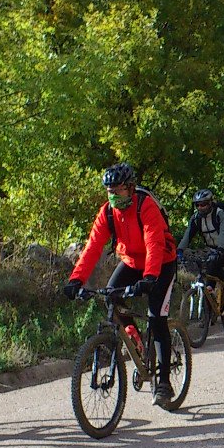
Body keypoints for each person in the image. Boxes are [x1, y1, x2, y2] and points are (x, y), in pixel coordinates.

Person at [62, 163, 180, 404]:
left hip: (162, 264)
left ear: (131, 188)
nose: (113, 195)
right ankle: (134, 337)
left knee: (157, 318)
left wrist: (149, 278)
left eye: (118, 190)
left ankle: (164, 384)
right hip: (131, 261)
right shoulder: (107, 213)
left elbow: (155, 243)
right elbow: (93, 247)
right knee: (111, 296)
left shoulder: (145, 206)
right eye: (109, 191)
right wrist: (76, 279)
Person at [177, 188, 224, 298]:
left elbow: (223, 233)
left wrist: (220, 249)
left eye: (204, 204)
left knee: (214, 266)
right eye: (198, 205)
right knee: (206, 269)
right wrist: (179, 251)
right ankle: (210, 303)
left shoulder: (219, 213)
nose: (200, 208)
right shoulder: (196, 218)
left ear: (210, 203)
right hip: (213, 249)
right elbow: (187, 236)